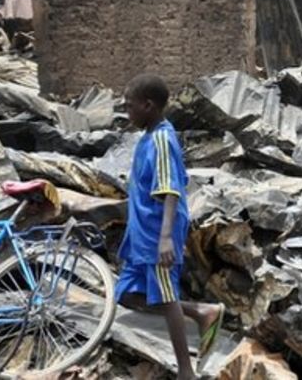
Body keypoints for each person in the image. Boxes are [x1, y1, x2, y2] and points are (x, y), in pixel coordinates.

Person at [116, 74, 225, 380]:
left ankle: (186, 371)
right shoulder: (146, 138)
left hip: (158, 232)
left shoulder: (163, 139)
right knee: (126, 294)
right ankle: (202, 312)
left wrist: (165, 238)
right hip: (142, 233)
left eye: (129, 107)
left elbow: (170, 190)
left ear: (147, 105)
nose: (127, 113)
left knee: (165, 295)